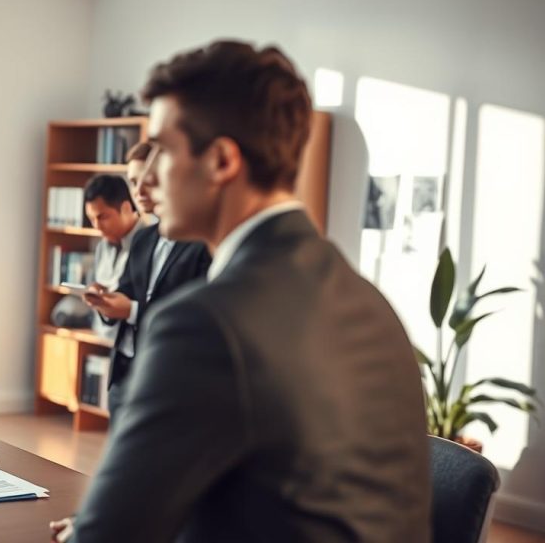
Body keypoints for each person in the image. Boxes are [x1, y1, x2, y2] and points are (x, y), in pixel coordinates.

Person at [52, 41, 430, 541]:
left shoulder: (204, 324)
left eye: (163, 148)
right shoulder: (371, 304)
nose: (149, 174)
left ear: (222, 161)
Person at [83, 142, 211, 420]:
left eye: (148, 180)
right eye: (133, 181)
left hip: (170, 376)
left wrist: (131, 310)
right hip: (125, 372)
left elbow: (194, 317)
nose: (139, 190)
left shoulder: (202, 244)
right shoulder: (143, 238)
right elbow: (126, 293)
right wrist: (105, 301)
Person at [82, 174, 144, 343]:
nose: (96, 226)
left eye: (102, 217)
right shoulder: (102, 245)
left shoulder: (147, 242)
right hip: (104, 338)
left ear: (125, 208)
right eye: (91, 219)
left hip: (136, 342)